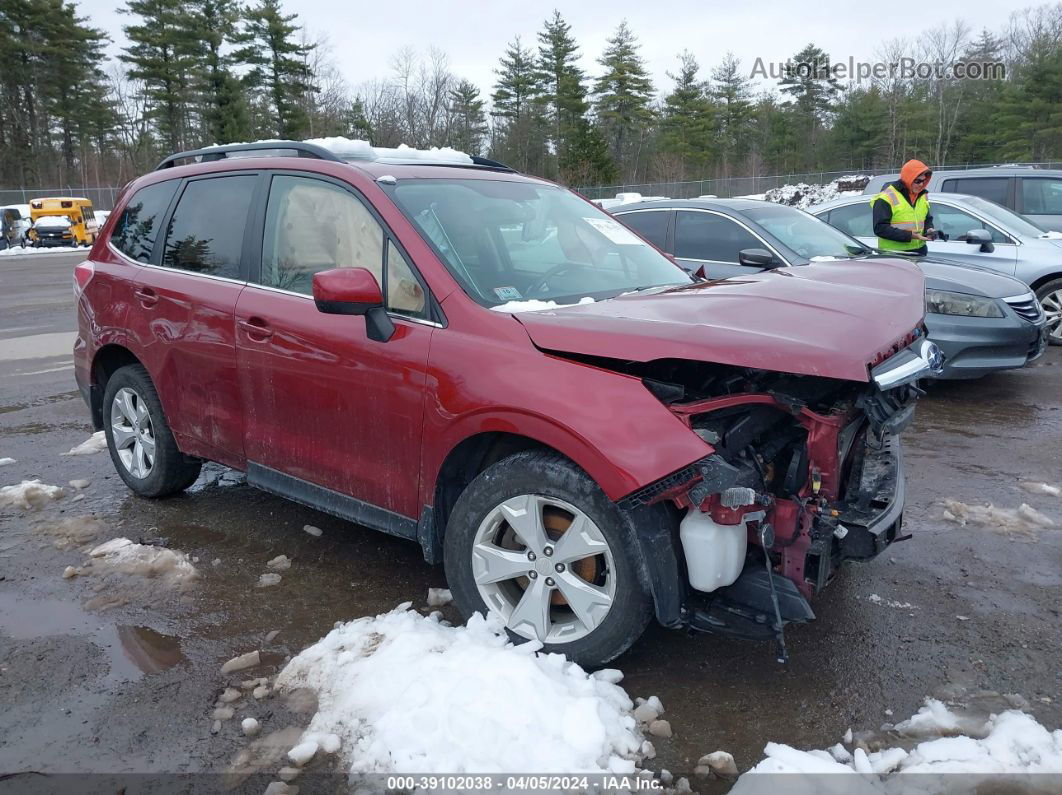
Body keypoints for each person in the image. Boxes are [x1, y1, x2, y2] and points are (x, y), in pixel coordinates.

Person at [871, 159, 942, 256]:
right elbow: (880, 228)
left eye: (924, 181)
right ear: (909, 178)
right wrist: (909, 235)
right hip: (894, 254)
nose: (921, 184)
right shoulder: (886, 198)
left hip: (919, 251)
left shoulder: (922, 195)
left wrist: (929, 230)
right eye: (917, 181)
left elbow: (927, 219)